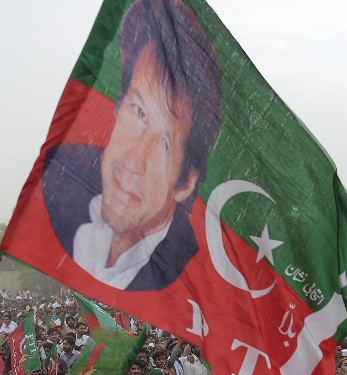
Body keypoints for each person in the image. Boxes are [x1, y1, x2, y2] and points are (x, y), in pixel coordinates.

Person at [42, 0, 223, 291]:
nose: (133, 162)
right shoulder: (56, 184)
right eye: (138, 112)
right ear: (117, 108)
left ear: (185, 183)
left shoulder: (186, 277)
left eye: (164, 143)